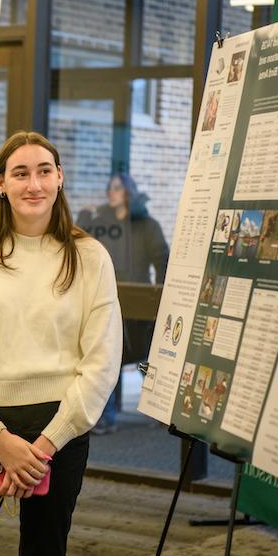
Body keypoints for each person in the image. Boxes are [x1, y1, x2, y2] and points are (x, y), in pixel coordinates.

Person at [0, 131, 123, 556]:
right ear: (1, 183)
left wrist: (44, 446)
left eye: (43, 172)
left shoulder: (90, 257)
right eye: (20, 173)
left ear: (60, 178)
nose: (33, 184)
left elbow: (102, 362)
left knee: (44, 552)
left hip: (61, 429)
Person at [77, 173, 169, 434]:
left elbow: (162, 259)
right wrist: (84, 218)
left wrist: (160, 293)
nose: (111, 192)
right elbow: (79, 245)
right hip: (108, 298)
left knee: (143, 356)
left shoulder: (146, 225)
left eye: (117, 188)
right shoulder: (102, 223)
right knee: (110, 356)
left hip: (138, 302)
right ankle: (106, 416)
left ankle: (162, 405)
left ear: (128, 192)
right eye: (109, 188)